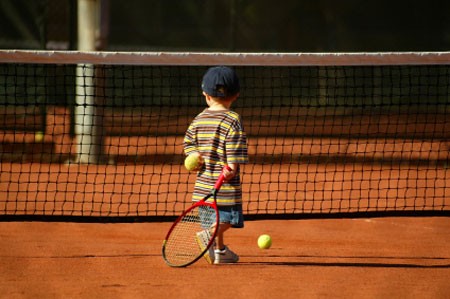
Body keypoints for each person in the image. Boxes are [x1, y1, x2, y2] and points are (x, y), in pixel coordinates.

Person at [184, 66, 249, 265]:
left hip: (203, 187)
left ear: (205, 95)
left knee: (214, 218)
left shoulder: (198, 119)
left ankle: (220, 251)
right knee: (227, 219)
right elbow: (232, 157)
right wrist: (231, 168)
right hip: (225, 189)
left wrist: (194, 155)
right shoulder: (233, 120)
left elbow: (189, 143)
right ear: (236, 95)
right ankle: (208, 235)